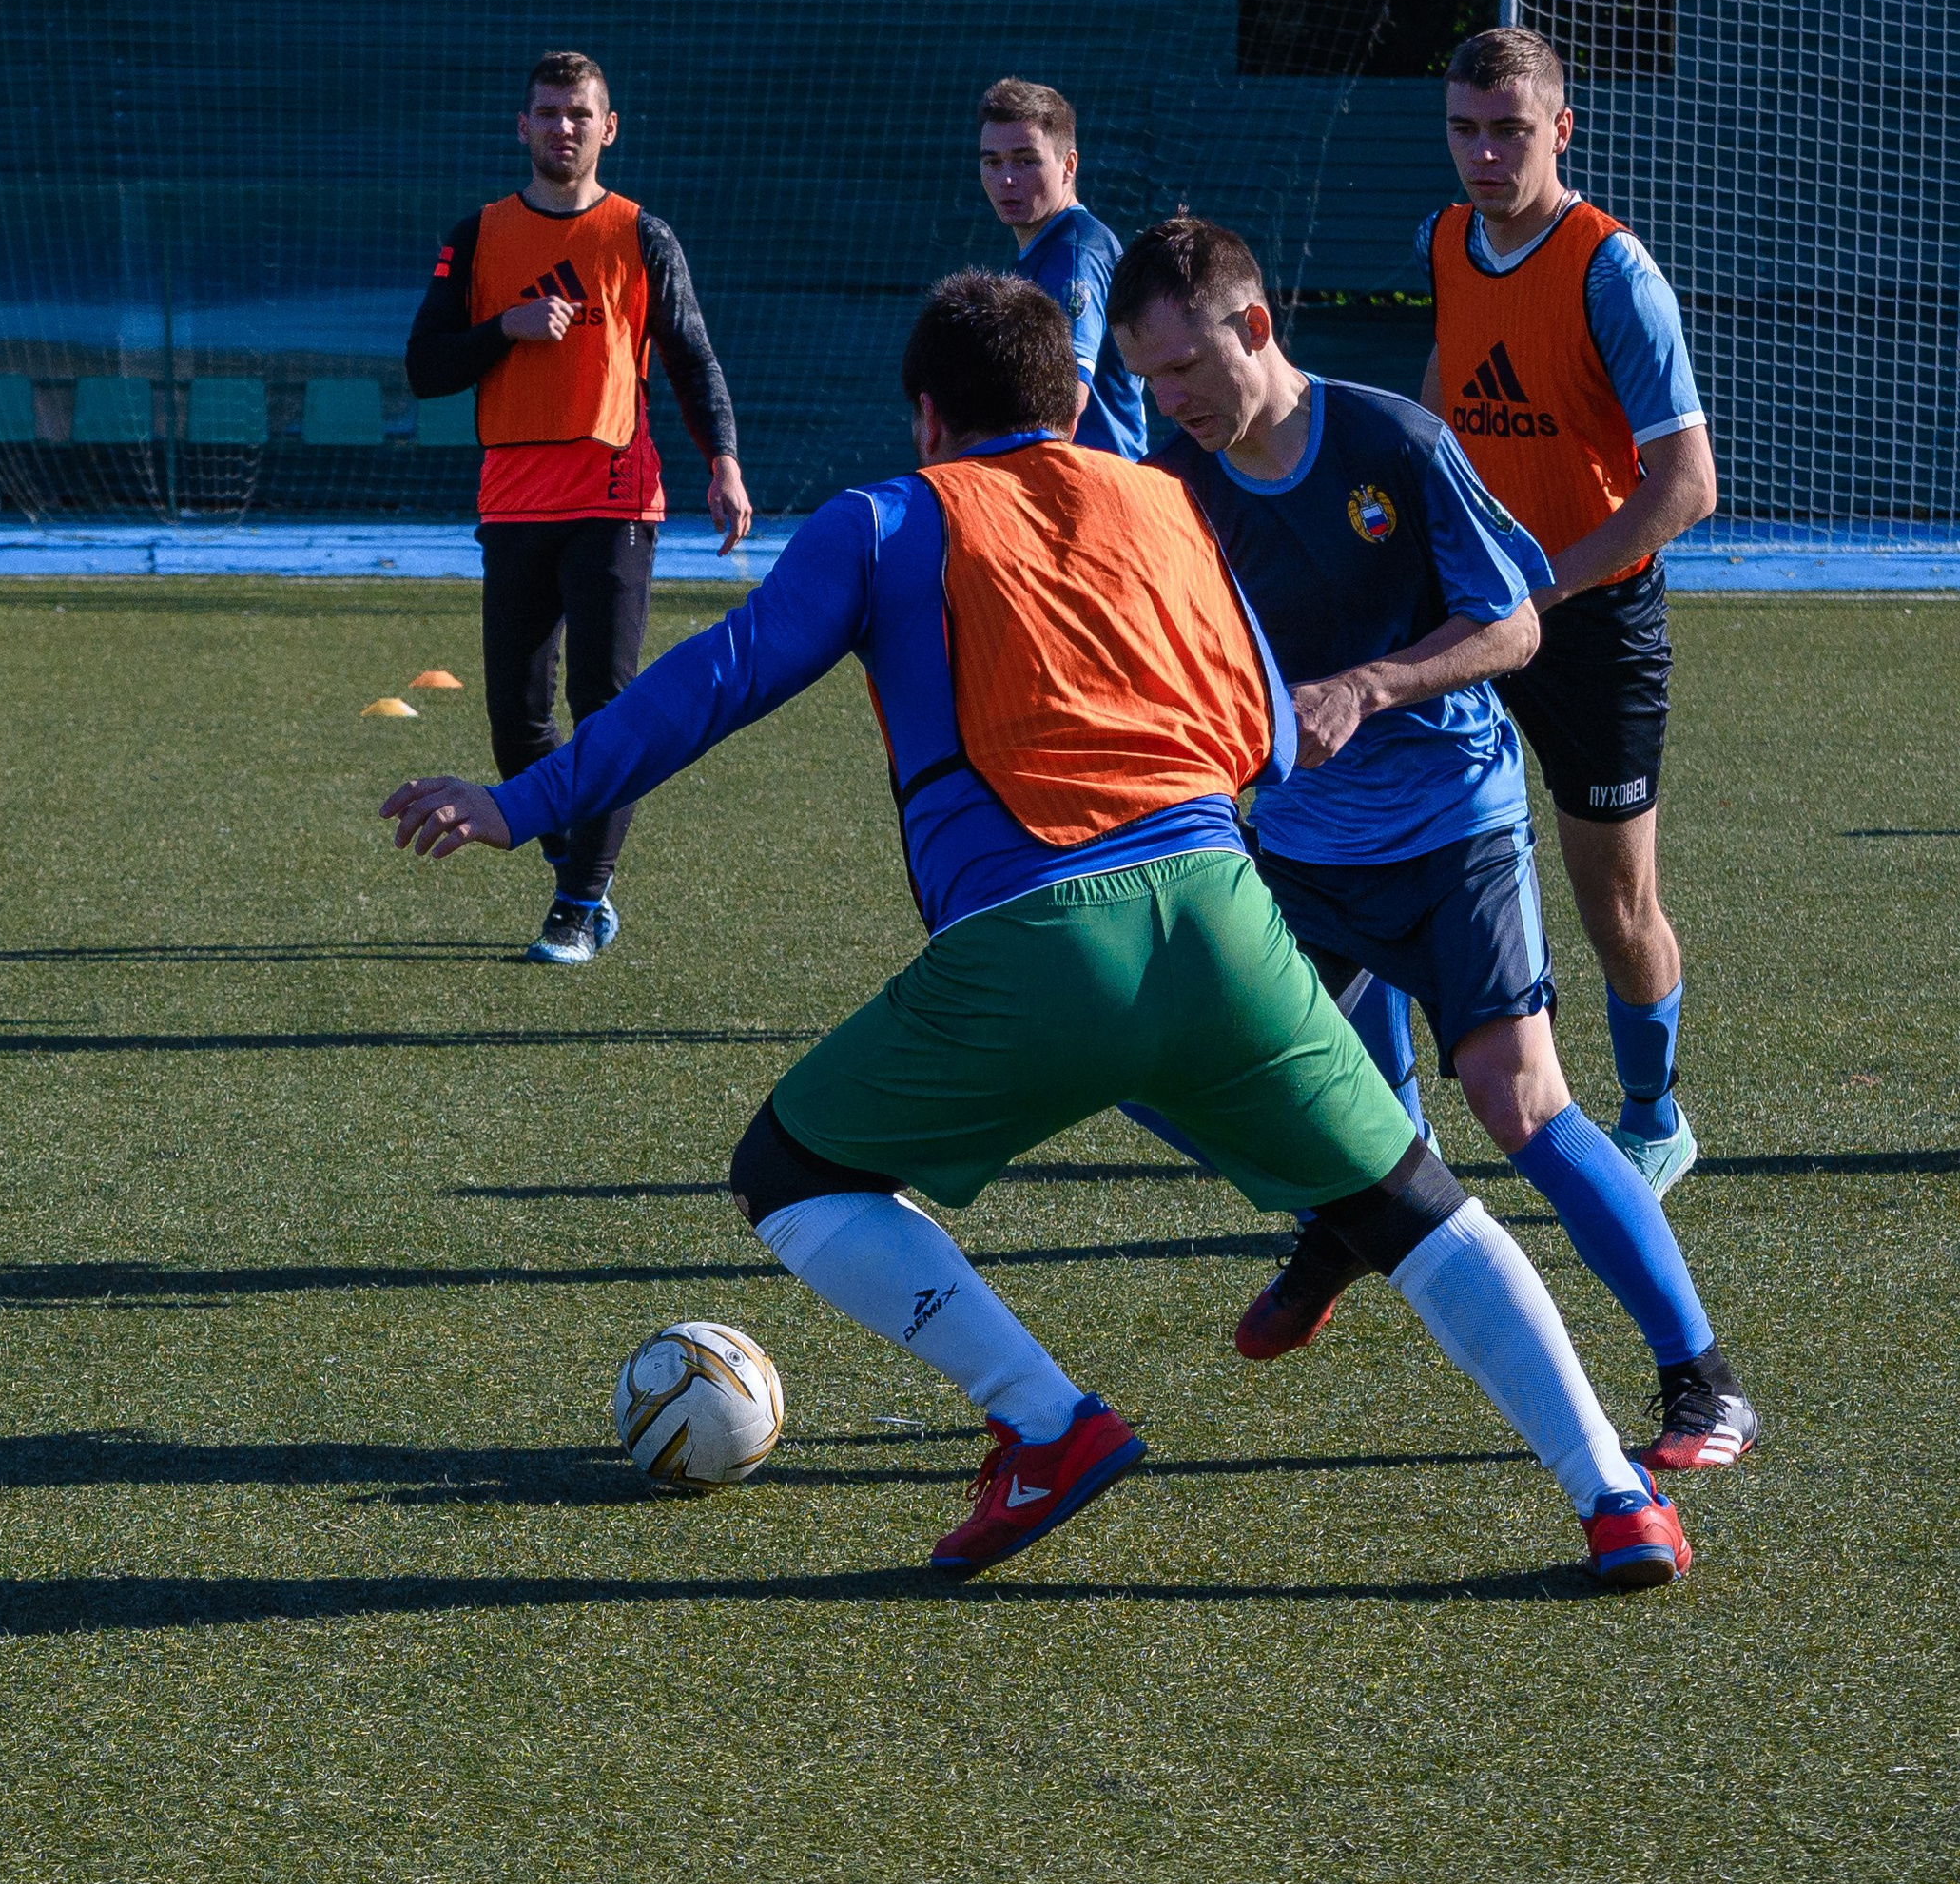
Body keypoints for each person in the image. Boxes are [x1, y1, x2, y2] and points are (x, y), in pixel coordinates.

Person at [380, 270, 1692, 1587]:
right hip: (1230, 922)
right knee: (1419, 1208)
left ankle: (1048, 1423)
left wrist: (521, 802)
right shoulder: (1169, 499)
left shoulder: (890, 518)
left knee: (787, 1171)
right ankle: (1616, 1496)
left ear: (925, 418)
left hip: (1035, 941)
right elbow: (1268, 733)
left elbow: (716, 683)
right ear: (1072, 402)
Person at [1107, 217, 1756, 1473]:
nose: (1169, 398)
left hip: (1453, 827)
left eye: (1185, 367)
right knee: (1161, 1053)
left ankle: (1704, 1380)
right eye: (1147, 376)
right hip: (1297, 846)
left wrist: (1370, 688)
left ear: (1256, 328)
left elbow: (1512, 628)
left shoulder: (1392, 444)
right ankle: (1348, 1216)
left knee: (1522, 1104)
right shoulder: (1174, 478)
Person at [1420, 28, 1715, 1199]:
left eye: (1507, 129)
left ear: (1559, 130)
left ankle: (1651, 1115)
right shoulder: (1445, 238)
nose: (1483, 155)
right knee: (1410, 853)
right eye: (1463, 129)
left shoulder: (1609, 270)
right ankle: (1397, 1128)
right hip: (1479, 605)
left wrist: (1540, 589)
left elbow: (1686, 485)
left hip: (1592, 627)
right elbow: (1447, 388)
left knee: (1615, 901)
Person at [405, 52, 751, 965]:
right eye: (548, 112)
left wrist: (723, 461)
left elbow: (690, 358)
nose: (564, 126)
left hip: (615, 498)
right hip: (514, 501)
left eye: (580, 113)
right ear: (521, 127)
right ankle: (575, 845)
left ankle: (580, 900)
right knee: (516, 718)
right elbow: (424, 366)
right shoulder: (478, 236)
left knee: (605, 703)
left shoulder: (642, 236)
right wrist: (502, 331)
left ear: (610, 128)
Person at [976, 78, 1153, 459]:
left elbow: (1067, 397)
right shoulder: (1046, 251)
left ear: (1068, 165)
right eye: (992, 162)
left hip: (1093, 488)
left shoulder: (1075, 253)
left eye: (1026, 160)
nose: (1006, 178)